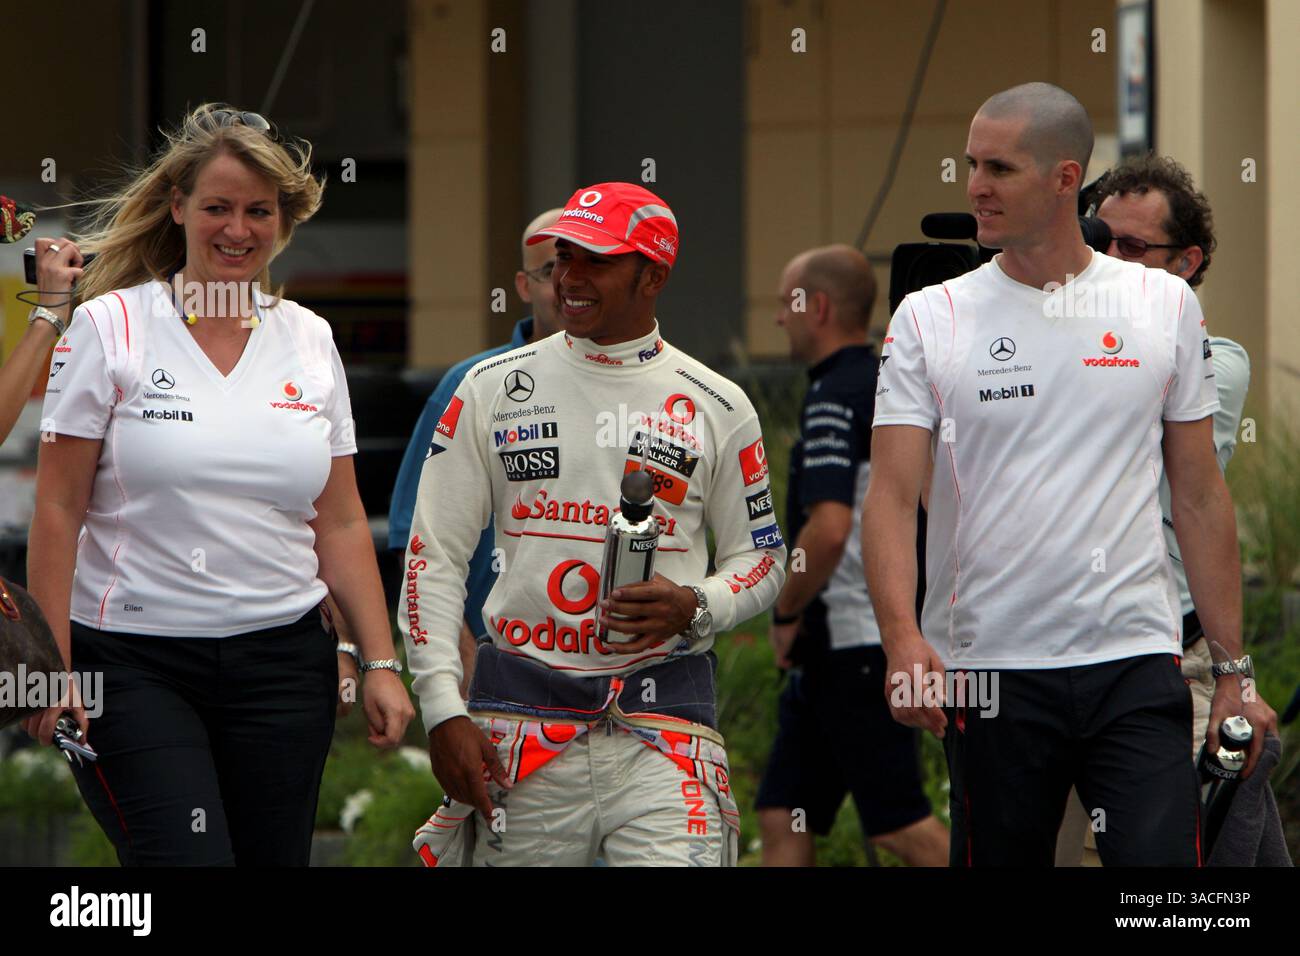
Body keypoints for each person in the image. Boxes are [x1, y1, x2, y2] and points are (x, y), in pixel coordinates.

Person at [863, 82, 1277, 867]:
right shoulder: (929, 315)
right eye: (970, 165)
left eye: (999, 169)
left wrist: (1233, 672)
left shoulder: (1162, 305)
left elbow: (1197, 494)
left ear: (1063, 179)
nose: (975, 187)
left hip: (1134, 661)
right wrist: (902, 640)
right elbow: (889, 494)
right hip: (987, 670)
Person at [24, 103, 413, 866]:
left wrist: (380, 661)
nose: (238, 230)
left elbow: (337, 520)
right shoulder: (110, 326)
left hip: (283, 667)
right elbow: (58, 506)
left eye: (258, 211)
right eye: (218, 208)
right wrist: (49, 670)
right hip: (132, 665)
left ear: (283, 221)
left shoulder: (309, 337)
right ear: (178, 209)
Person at [407, 182, 786, 866]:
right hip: (517, 731)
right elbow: (431, 557)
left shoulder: (717, 404)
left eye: (597, 261)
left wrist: (696, 604)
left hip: (665, 732)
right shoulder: (489, 388)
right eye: (562, 258)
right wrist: (441, 708)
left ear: (655, 275)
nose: (570, 279)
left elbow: (762, 560)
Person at [1055, 153, 1251, 864]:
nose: (1110, 259)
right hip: (1054, 662)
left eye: (1133, 248)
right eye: (1098, 240)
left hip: (1169, 664)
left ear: (1188, 261)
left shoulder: (1216, 360)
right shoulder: (1059, 338)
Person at [756, 244, 948, 867]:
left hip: (860, 643)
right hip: (830, 650)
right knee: (784, 808)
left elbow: (831, 528)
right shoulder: (878, 378)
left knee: (899, 826)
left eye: (787, 304)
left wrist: (783, 609)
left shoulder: (837, 392)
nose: (778, 320)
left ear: (817, 306)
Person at [387, 208, 563, 693]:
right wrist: (463, 660)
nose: (571, 282)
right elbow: (414, 540)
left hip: (610, 671)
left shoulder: (642, 389)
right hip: (495, 660)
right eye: (552, 270)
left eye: (589, 263)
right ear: (523, 286)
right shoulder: (471, 387)